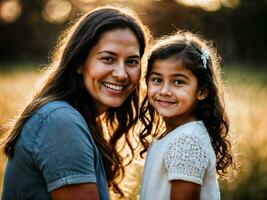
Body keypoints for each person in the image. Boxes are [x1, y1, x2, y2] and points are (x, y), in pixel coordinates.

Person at [1, 6, 150, 200]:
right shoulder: (60, 122)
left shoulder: (79, 120)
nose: (121, 74)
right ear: (79, 62)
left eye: (132, 61)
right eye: (108, 59)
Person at [139, 31, 236, 200]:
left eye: (178, 82)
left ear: (202, 91)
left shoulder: (187, 140)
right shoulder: (176, 134)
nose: (165, 91)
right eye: (157, 80)